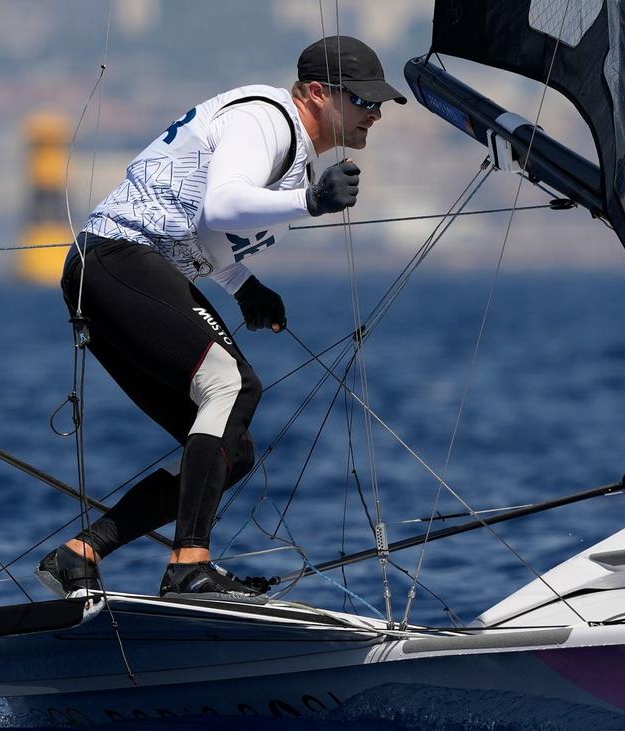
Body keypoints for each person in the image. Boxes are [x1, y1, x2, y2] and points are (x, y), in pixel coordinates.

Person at [36, 36, 405, 601]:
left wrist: (242, 284)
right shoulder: (265, 121)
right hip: (114, 259)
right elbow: (223, 205)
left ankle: (78, 555)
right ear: (316, 93)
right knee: (233, 386)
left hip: (123, 271)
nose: (375, 114)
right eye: (363, 100)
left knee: (231, 449)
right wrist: (311, 201)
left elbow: (203, 233)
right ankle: (189, 568)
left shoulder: (291, 144)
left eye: (379, 104)